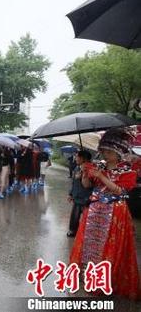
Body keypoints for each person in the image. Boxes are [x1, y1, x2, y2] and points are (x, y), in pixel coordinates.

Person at [70, 128, 139, 300]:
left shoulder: (128, 171)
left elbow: (120, 191)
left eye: (109, 152)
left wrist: (101, 176)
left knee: (110, 245)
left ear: (119, 153)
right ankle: (88, 275)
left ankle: (105, 279)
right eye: (103, 151)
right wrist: (85, 174)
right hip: (94, 210)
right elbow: (87, 186)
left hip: (115, 212)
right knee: (88, 243)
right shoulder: (98, 166)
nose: (105, 155)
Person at [66, 150, 93, 238]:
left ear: (83, 158)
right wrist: (70, 194)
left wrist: (84, 174)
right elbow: (74, 183)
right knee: (74, 217)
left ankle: (88, 234)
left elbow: (87, 186)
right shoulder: (77, 168)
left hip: (87, 198)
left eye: (77, 156)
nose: (75, 158)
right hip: (77, 197)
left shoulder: (92, 170)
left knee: (88, 219)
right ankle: (73, 230)